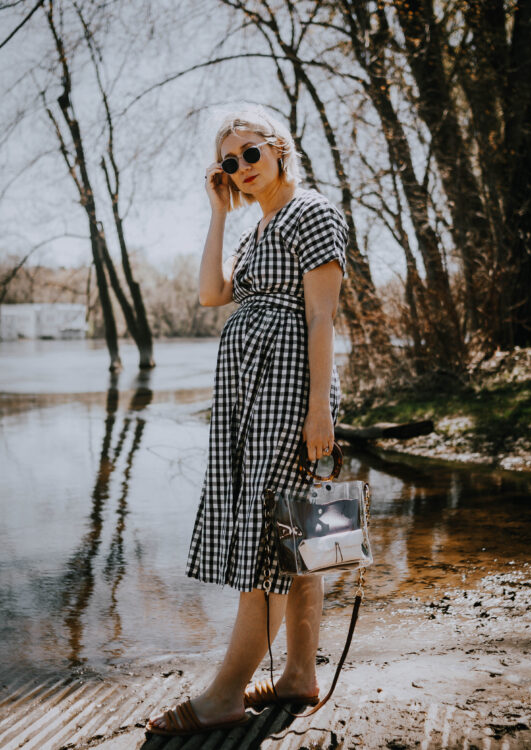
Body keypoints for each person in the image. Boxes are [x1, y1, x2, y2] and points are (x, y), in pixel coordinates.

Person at [146, 106, 348, 737]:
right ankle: (297, 677)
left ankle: (224, 695)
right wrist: (217, 213)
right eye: (229, 161)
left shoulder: (311, 211)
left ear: (280, 148)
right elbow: (210, 294)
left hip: (290, 389)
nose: (242, 168)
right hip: (252, 396)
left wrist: (320, 410)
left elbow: (321, 319)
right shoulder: (260, 229)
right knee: (300, 537)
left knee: (268, 537)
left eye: (251, 153)